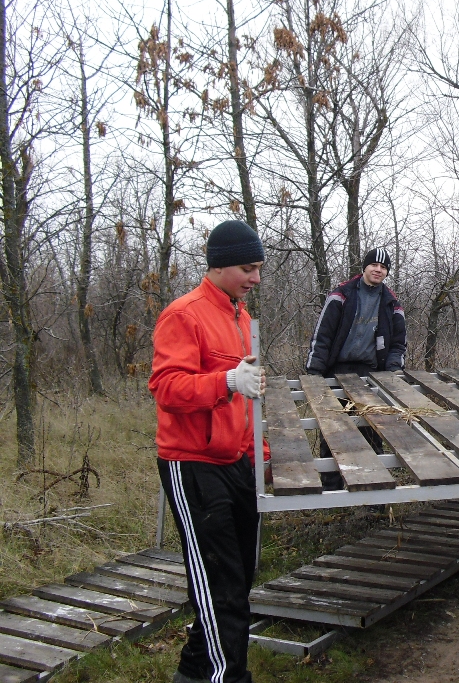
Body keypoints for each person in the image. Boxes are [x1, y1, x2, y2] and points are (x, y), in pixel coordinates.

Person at [149, 220, 268, 683]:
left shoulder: (239, 316)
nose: (255, 278)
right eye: (248, 268)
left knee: (237, 581)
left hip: (235, 462)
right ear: (219, 266)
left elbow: (247, 397)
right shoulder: (184, 314)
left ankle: (194, 672)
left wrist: (258, 452)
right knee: (221, 588)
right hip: (193, 466)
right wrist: (223, 381)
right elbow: (166, 388)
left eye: (258, 268)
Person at [305, 247, 407, 377]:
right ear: (365, 267)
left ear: (386, 272)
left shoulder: (392, 304)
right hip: (336, 370)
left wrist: (395, 369)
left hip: (373, 373)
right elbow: (322, 336)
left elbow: (398, 344)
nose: (378, 270)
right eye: (374, 264)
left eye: (383, 267)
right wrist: (315, 370)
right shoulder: (341, 296)